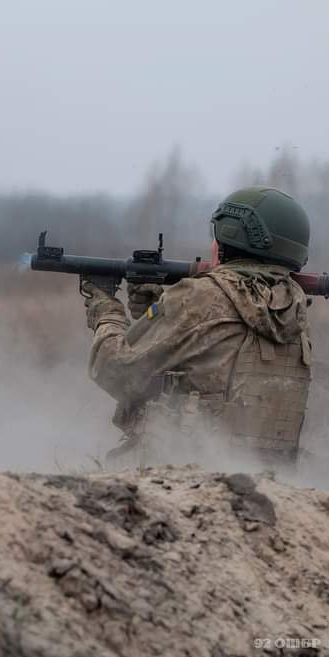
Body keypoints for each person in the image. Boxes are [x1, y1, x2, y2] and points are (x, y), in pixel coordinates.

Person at [80, 187, 313, 469]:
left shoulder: (199, 296)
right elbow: (218, 358)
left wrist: (106, 310)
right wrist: (156, 310)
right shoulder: (292, 309)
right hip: (269, 479)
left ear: (229, 238)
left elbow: (114, 369)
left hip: (182, 473)